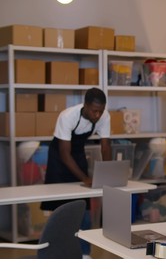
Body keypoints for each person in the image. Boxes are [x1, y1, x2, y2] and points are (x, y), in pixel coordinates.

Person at [40, 87, 112, 258]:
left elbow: (106, 146)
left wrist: (109, 173)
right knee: (58, 205)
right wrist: (85, 178)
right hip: (59, 157)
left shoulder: (104, 116)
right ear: (85, 105)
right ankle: (56, 252)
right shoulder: (67, 116)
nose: (97, 115)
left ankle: (85, 253)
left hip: (78, 153)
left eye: (100, 111)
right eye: (94, 111)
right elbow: (64, 153)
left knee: (83, 205)